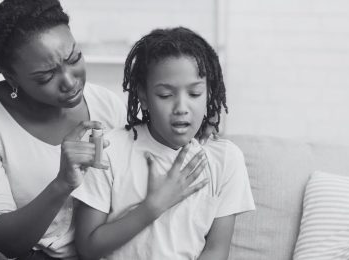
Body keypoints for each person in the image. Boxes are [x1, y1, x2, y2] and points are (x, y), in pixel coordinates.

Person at [0, 1, 212, 259]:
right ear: (11, 76)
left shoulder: (106, 107)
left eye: (74, 58)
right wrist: (62, 183)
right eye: (46, 76)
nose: (70, 81)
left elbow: (150, 152)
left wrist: (195, 132)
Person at [72, 27, 256, 260]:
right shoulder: (109, 149)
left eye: (195, 93)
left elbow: (216, 250)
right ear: (144, 98)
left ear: (209, 94)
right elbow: (87, 248)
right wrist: (152, 207)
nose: (181, 107)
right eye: (166, 95)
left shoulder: (225, 159)